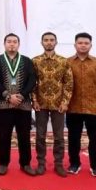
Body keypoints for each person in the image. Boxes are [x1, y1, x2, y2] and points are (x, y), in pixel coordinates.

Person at [67, 32, 96, 177]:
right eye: (80, 43)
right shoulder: (67, 63)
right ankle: (74, 163)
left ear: (91, 45)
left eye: (86, 43)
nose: (83, 45)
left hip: (94, 107)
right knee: (73, 138)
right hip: (73, 107)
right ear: (75, 45)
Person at [0, 33, 36, 176]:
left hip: (23, 105)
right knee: (4, 135)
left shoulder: (27, 61)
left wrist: (22, 96)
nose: (12, 44)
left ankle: (26, 163)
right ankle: (3, 163)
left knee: (24, 135)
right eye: (9, 42)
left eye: (14, 42)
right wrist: (8, 96)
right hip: (4, 104)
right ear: (4, 44)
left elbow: (32, 81)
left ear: (19, 44)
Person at [32, 32, 73, 177]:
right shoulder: (35, 61)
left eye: (51, 40)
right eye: (46, 40)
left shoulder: (64, 61)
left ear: (56, 42)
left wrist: (65, 102)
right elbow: (32, 83)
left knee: (59, 136)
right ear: (41, 42)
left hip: (58, 104)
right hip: (41, 104)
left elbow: (68, 83)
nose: (49, 42)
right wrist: (34, 101)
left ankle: (59, 164)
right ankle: (41, 163)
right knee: (40, 135)